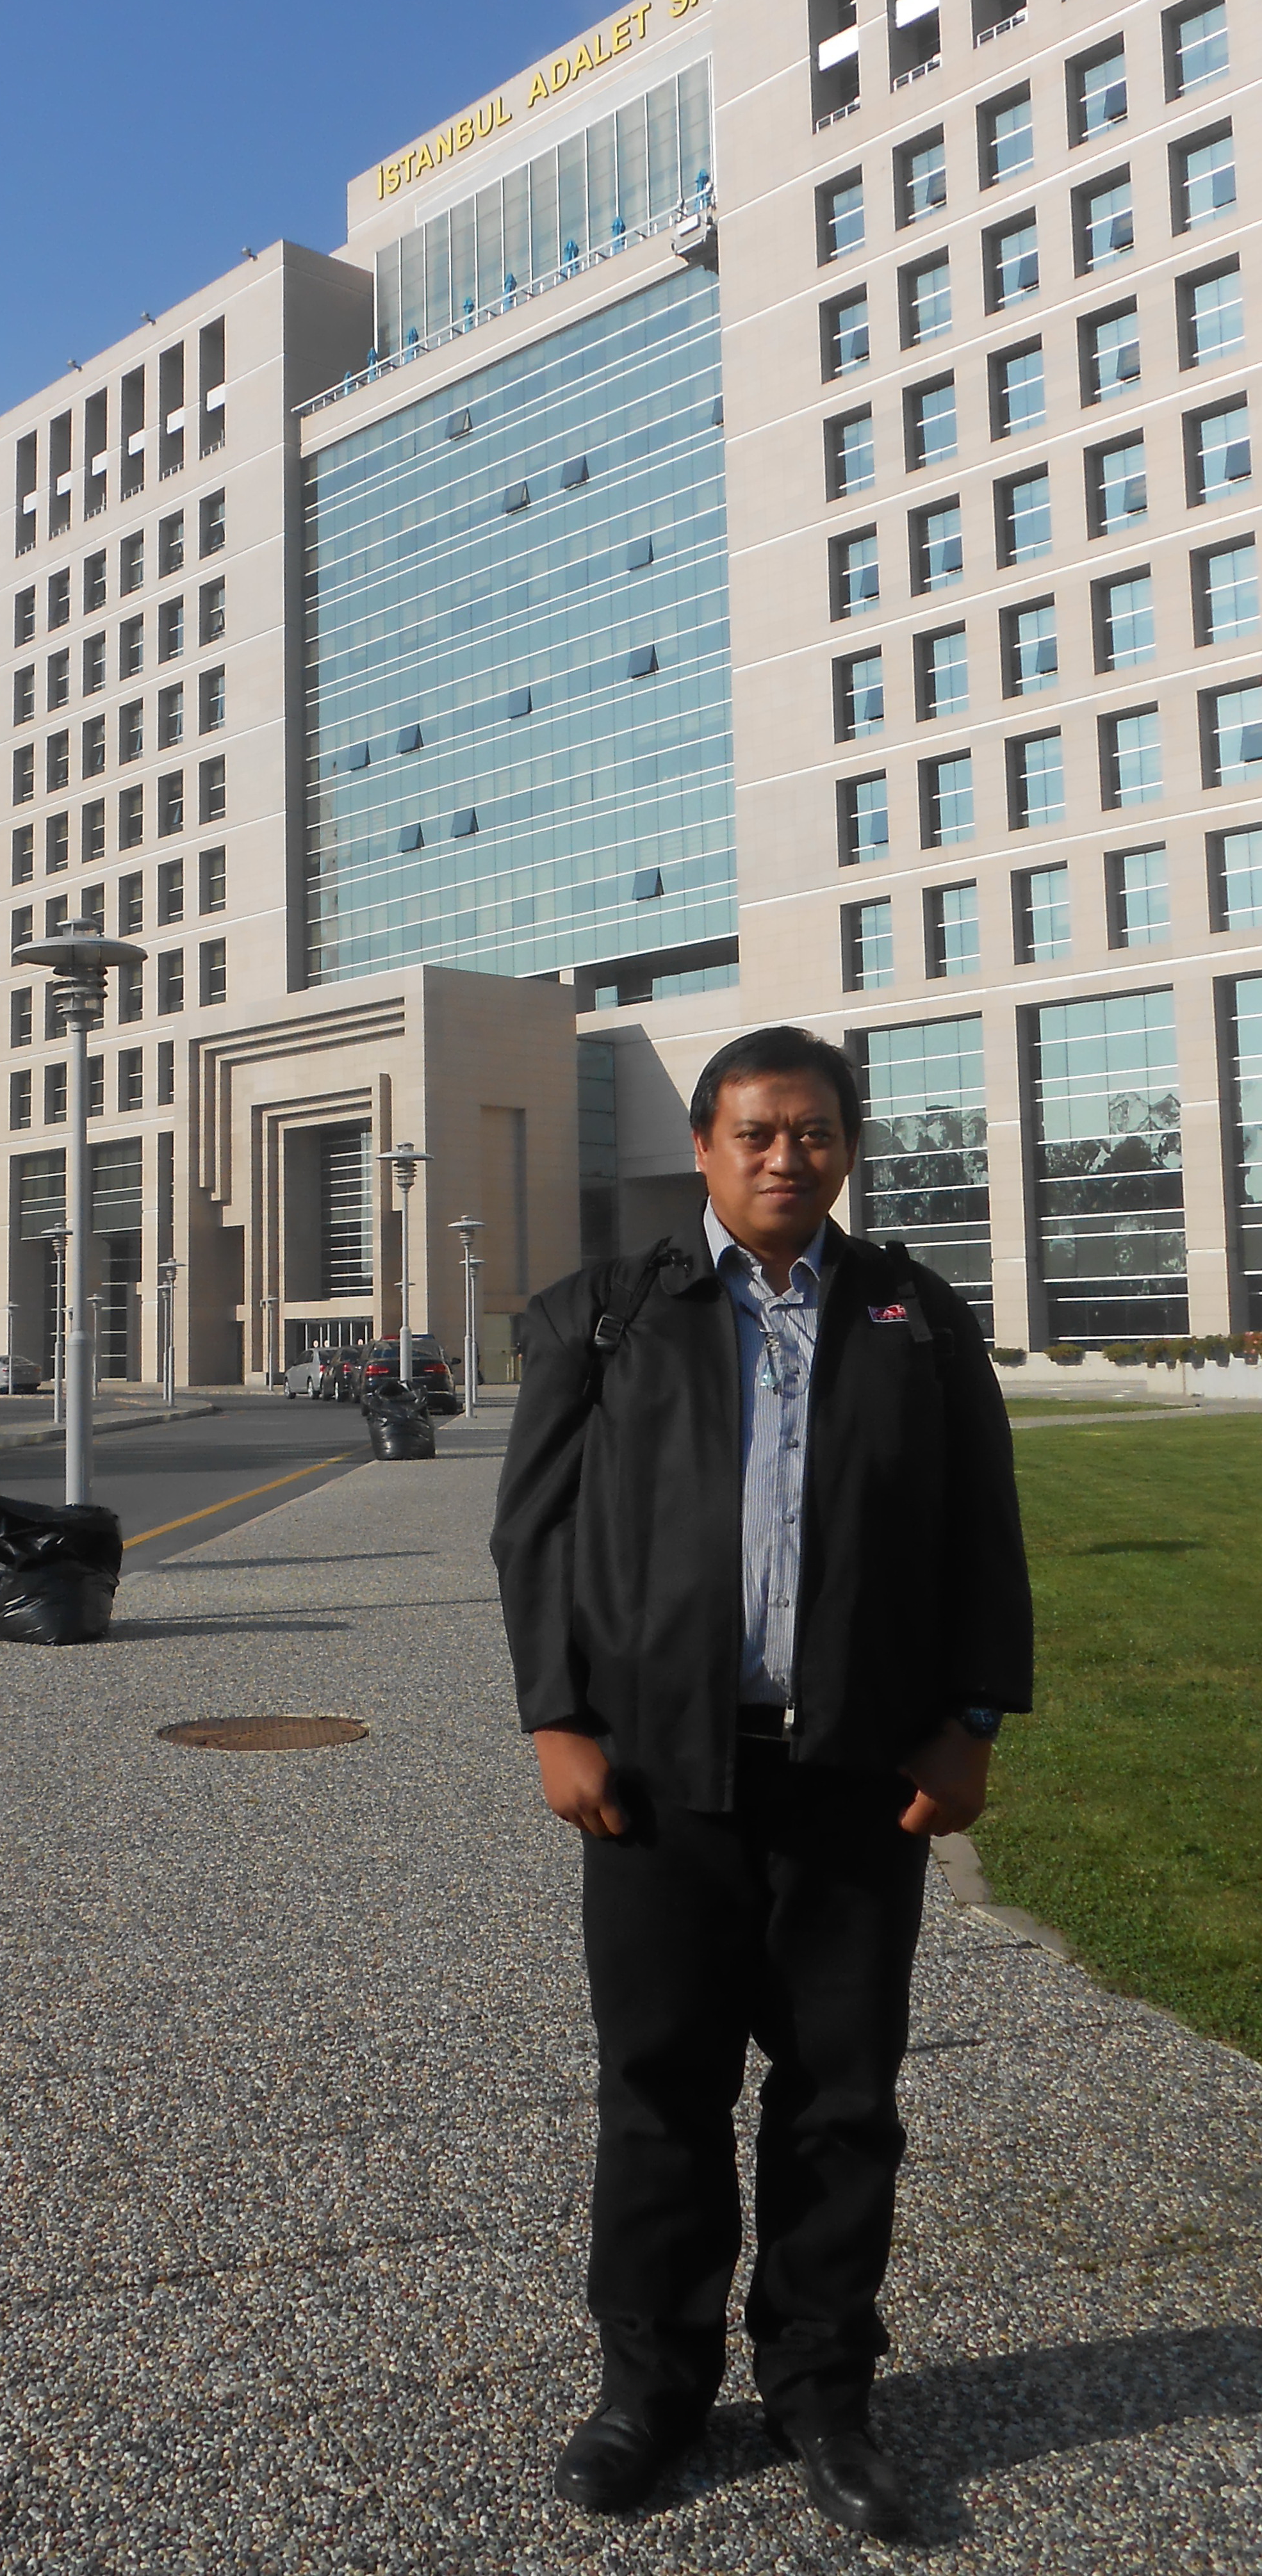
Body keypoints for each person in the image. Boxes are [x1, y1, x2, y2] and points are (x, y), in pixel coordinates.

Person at [490, 1025, 1033, 2543]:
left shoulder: (911, 1314)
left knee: (842, 2099)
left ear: (847, 1147)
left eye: (814, 1132)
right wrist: (556, 1720)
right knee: (660, 2091)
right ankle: (650, 2391)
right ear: (707, 1147)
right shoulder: (610, 1313)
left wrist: (971, 1719)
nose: (787, 1155)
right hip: (657, 1779)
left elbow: (981, 1529)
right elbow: (532, 1535)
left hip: (856, 1778)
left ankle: (821, 2390)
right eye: (757, 1131)